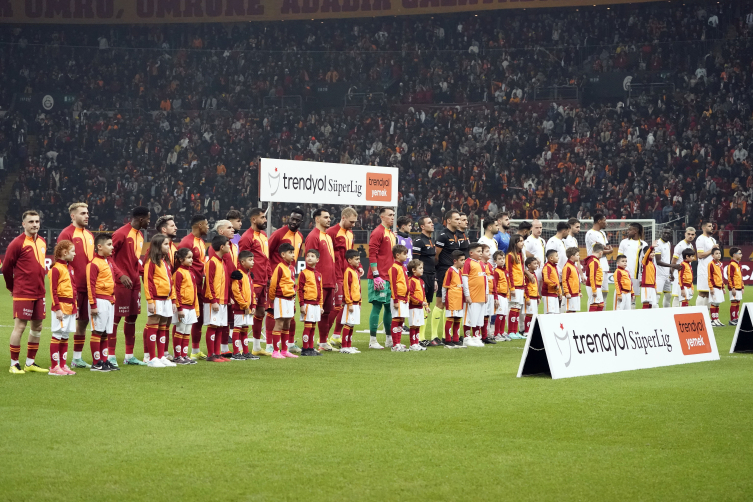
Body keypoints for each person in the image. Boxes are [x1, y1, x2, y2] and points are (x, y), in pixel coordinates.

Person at [6, 210, 48, 374]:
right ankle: (14, 364)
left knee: (38, 326)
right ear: (23, 224)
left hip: (40, 292)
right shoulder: (17, 243)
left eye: (37, 221)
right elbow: (6, 267)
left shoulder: (42, 241)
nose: (34, 225)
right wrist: (12, 287)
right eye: (31, 222)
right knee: (20, 327)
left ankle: (30, 363)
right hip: (23, 292)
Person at [57, 202, 98, 369]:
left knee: (83, 321)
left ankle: (77, 358)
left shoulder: (89, 234)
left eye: (87, 213)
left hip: (89, 286)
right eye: (83, 213)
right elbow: (61, 260)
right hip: (73, 287)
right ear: (73, 216)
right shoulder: (66, 234)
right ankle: (58, 359)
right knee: (67, 323)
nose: (87, 215)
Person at [111, 206, 150, 368]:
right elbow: (108, 256)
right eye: (148, 218)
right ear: (141, 219)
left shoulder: (140, 235)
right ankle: (110, 356)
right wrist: (120, 274)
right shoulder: (121, 234)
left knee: (132, 318)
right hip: (120, 283)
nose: (149, 222)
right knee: (115, 319)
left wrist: (144, 273)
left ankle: (129, 355)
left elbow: (134, 259)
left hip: (134, 283)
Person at [269, 207, 305, 353]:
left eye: (297, 220)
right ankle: (270, 344)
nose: (293, 222)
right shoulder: (279, 233)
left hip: (289, 280)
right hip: (276, 279)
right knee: (272, 312)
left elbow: (294, 259)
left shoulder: (300, 236)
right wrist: (269, 275)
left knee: (291, 313)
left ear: (301, 222)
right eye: (292, 218)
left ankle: (289, 344)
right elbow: (267, 253)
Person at [239, 208, 273, 356]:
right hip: (253, 280)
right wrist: (246, 279)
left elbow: (266, 258)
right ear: (253, 220)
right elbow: (242, 260)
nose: (265, 220)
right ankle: (241, 347)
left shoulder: (264, 235)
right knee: (247, 312)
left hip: (263, 280)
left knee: (260, 312)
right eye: (262, 217)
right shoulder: (247, 237)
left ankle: (257, 347)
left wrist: (269, 275)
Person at [86, 234, 121, 372]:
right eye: (109, 244)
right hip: (99, 301)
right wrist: (93, 305)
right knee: (97, 332)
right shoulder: (93, 264)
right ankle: (96, 363)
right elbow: (90, 286)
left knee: (106, 332)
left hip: (109, 300)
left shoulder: (108, 261)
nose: (112, 247)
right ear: (99, 247)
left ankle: (104, 361)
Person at [143, 234, 177, 368]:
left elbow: (171, 282)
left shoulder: (165, 261)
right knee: (153, 325)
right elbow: (147, 282)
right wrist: (150, 300)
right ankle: (152, 358)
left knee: (163, 327)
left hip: (166, 299)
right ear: (158, 245)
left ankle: (161, 356)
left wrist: (173, 300)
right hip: (156, 298)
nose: (168, 247)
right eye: (165, 244)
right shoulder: (151, 261)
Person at [326, 207, 358, 350]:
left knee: (345, 306)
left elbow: (350, 253)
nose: (353, 225)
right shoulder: (331, 232)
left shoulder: (350, 233)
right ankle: (323, 338)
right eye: (351, 222)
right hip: (336, 274)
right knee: (336, 307)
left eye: (355, 222)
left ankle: (336, 336)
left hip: (347, 274)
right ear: (343, 217)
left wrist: (358, 266)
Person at [305, 208, 336, 351]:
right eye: (326, 217)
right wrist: (313, 280)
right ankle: (309, 345)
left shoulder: (327, 236)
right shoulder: (313, 236)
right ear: (317, 219)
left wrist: (334, 279)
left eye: (329, 217)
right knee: (315, 313)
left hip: (329, 281)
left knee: (327, 313)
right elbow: (309, 260)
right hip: (318, 282)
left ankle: (323, 342)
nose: (329, 219)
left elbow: (331, 260)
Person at [179, 214, 209, 361]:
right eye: (206, 224)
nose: (208, 227)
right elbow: (180, 263)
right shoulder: (187, 242)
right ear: (200, 225)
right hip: (188, 286)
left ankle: (195, 350)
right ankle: (179, 352)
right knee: (183, 319)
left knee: (198, 317)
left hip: (199, 284)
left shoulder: (201, 242)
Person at [208, 220, 239, 358]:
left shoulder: (232, 247)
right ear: (221, 231)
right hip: (218, 293)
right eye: (229, 227)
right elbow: (213, 277)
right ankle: (213, 353)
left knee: (224, 322)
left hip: (227, 291)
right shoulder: (215, 253)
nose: (233, 230)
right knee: (216, 323)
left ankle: (221, 350)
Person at [431, 210, 462, 343]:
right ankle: (434, 336)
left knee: (450, 303)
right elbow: (436, 256)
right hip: (444, 271)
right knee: (440, 302)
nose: (459, 221)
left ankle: (446, 336)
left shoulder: (456, 235)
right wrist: (438, 273)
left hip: (454, 271)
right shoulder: (443, 236)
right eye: (456, 219)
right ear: (448, 220)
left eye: (459, 219)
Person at [367, 207, 397, 349]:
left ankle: (389, 339)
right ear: (382, 217)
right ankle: (372, 340)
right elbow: (372, 253)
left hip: (389, 276)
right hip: (379, 276)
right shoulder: (378, 232)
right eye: (390, 215)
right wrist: (376, 275)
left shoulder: (390, 233)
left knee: (389, 308)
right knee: (377, 306)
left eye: (393, 215)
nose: (392, 217)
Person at [48, 241, 78, 376]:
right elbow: (53, 290)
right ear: (65, 252)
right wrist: (57, 308)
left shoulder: (69, 267)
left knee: (65, 336)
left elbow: (73, 289)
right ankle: (54, 367)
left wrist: (75, 307)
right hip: (61, 307)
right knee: (57, 335)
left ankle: (62, 365)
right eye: (73, 251)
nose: (75, 254)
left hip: (70, 307)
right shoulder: (56, 269)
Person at [267, 242, 298, 359]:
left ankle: (285, 350)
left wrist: (293, 297)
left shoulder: (291, 268)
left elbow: (293, 284)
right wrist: (272, 299)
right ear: (283, 254)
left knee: (287, 324)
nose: (293, 255)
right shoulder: (279, 267)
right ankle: (275, 351)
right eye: (290, 253)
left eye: (293, 252)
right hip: (281, 299)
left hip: (290, 299)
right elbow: (273, 284)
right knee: (279, 324)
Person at [156, 214, 180, 359]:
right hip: (158, 293)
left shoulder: (173, 247)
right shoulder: (156, 248)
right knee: (154, 323)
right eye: (172, 225)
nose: (176, 228)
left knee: (167, 322)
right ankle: (148, 354)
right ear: (164, 229)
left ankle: (164, 352)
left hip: (170, 292)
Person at [412, 216, 439, 346]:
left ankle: (421, 337)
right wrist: (417, 279)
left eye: (432, 222)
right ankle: (419, 338)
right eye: (429, 222)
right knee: (421, 305)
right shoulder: (418, 241)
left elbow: (432, 262)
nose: (432, 224)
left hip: (431, 277)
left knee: (427, 304)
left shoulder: (431, 240)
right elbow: (415, 262)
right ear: (422, 226)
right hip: (422, 277)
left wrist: (435, 279)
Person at [204, 235, 231, 362]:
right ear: (221, 247)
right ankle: (211, 355)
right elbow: (209, 282)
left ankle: (217, 353)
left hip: (222, 300)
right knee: (213, 326)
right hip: (214, 301)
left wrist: (227, 298)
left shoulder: (222, 262)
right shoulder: (212, 262)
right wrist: (213, 300)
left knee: (220, 326)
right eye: (228, 244)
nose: (229, 246)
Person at [171, 248, 199, 365]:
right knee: (180, 330)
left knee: (187, 331)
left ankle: (184, 355)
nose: (191, 260)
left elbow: (194, 292)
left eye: (192, 257)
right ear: (181, 259)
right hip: (182, 307)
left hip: (191, 307)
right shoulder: (178, 273)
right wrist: (179, 308)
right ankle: (177, 356)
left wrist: (196, 309)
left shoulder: (191, 273)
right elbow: (176, 291)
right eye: (189, 257)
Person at [230, 250, 259, 360]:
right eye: (250, 260)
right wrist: (244, 305)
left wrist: (254, 305)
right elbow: (236, 292)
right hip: (240, 308)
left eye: (253, 260)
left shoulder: (249, 275)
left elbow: (252, 292)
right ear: (242, 262)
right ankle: (236, 353)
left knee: (245, 329)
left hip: (248, 308)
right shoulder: (238, 275)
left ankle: (246, 352)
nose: (253, 262)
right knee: (237, 328)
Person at [297, 249, 324, 357]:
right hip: (307, 304)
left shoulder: (318, 274)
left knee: (313, 327)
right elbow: (300, 290)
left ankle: (311, 348)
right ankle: (305, 349)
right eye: (308, 256)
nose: (309, 258)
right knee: (308, 326)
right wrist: (302, 304)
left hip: (316, 305)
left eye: (312, 256)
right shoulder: (303, 273)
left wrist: (321, 305)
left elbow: (320, 291)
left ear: (317, 260)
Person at [461, 243, 487, 348]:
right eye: (479, 251)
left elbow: (484, 279)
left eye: (481, 251)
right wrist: (467, 295)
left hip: (481, 296)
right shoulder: (468, 263)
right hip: (472, 296)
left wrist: (486, 293)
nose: (481, 253)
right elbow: (464, 279)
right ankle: (467, 338)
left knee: (479, 318)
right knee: (469, 317)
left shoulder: (481, 263)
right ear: (471, 253)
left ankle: (476, 336)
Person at [617, 222, 647, 309]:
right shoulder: (624, 242)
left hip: (636, 275)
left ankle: (631, 315)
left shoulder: (643, 244)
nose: (627, 231)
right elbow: (619, 259)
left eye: (629, 230)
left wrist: (642, 277)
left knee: (633, 299)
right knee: (622, 297)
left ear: (635, 231)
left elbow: (644, 262)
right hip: (624, 275)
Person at [585, 214, 613, 301]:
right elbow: (597, 250)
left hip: (604, 264)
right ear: (599, 221)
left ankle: (602, 309)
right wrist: (609, 251)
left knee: (604, 292)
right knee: (596, 293)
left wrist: (608, 249)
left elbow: (604, 246)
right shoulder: (590, 233)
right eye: (604, 220)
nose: (606, 223)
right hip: (595, 263)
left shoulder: (602, 233)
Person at [442, 251, 466, 349]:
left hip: (459, 299)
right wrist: (444, 299)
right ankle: (448, 340)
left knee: (458, 319)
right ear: (455, 261)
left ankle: (456, 339)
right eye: (462, 260)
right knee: (450, 319)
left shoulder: (460, 271)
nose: (464, 262)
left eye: (464, 260)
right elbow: (445, 286)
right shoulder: (450, 271)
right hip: (452, 299)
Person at [388, 245, 410, 352]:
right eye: (404, 254)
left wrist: (407, 296)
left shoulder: (403, 267)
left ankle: (398, 342)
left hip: (404, 298)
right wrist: (395, 300)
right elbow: (393, 285)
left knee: (401, 320)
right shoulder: (394, 268)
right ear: (397, 255)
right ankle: (395, 344)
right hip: (397, 298)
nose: (406, 256)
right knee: (396, 319)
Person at [340, 249, 362, 354]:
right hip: (351, 303)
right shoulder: (348, 271)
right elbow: (346, 288)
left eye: (359, 259)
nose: (358, 261)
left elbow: (358, 288)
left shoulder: (356, 272)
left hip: (356, 302)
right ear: (349, 260)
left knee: (352, 324)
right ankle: (344, 346)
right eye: (356, 259)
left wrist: (360, 302)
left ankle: (349, 345)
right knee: (348, 324)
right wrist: (349, 303)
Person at [506, 235, 526, 339]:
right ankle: (510, 331)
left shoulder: (520, 255)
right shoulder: (510, 255)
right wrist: (512, 287)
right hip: (515, 286)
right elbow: (509, 272)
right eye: (520, 241)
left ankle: (516, 331)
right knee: (513, 308)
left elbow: (521, 271)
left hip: (521, 285)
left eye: (523, 241)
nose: (523, 243)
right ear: (515, 243)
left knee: (518, 308)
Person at [695, 221, 718, 312]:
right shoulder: (700, 239)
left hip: (712, 270)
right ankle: (698, 313)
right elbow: (700, 255)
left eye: (712, 226)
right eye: (709, 226)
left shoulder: (713, 240)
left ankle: (706, 315)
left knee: (709, 293)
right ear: (703, 228)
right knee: (703, 292)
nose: (712, 227)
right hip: (704, 270)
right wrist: (712, 250)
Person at [406, 259, 429, 351]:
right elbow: (410, 295)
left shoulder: (421, 281)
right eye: (420, 268)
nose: (422, 269)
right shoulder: (411, 281)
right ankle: (413, 344)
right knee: (413, 325)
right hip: (413, 307)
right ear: (413, 270)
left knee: (418, 325)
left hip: (419, 307)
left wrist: (426, 306)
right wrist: (420, 302)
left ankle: (416, 343)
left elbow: (423, 295)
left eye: (422, 268)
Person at [671, 227, 696, 307]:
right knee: (677, 295)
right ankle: (674, 313)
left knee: (685, 296)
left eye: (692, 234)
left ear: (694, 235)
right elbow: (673, 261)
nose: (690, 236)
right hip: (679, 274)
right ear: (685, 234)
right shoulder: (680, 245)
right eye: (688, 234)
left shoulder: (691, 246)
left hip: (687, 275)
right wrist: (672, 273)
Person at [479, 244, 497, 344]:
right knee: (481, 315)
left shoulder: (489, 265)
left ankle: (485, 336)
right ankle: (478, 335)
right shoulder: (479, 265)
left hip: (490, 294)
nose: (489, 253)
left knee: (487, 315)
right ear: (481, 253)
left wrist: (495, 296)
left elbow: (493, 282)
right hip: (482, 294)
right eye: (487, 251)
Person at [653, 228, 674, 308]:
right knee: (657, 296)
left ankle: (667, 312)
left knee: (668, 295)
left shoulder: (668, 243)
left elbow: (667, 259)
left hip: (666, 274)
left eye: (668, 233)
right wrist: (672, 266)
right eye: (664, 233)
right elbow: (658, 261)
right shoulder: (658, 244)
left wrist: (671, 273)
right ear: (661, 233)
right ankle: (655, 314)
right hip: (659, 275)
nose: (666, 235)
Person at [492, 250, 510, 341]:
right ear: (495, 261)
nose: (502, 260)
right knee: (499, 315)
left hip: (505, 296)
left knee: (504, 315)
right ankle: (496, 334)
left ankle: (502, 332)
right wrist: (496, 297)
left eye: (503, 258)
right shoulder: (496, 271)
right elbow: (494, 285)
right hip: (499, 295)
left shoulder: (505, 271)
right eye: (499, 259)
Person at [524, 219, 546, 291]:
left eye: (540, 227)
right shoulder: (528, 241)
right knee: (533, 291)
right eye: (536, 228)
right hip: (533, 270)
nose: (539, 230)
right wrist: (534, 256)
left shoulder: (542, 240)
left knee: (541, 292)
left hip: (541, 269)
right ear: (531, 228)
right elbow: (524, 252)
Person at [584, 243, 605, 311]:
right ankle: (591, 318)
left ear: (592, 251)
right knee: (594, 304)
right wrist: (594, 290)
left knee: (600, 305)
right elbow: (592, 276)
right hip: (593, 286)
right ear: (601, 253)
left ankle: (596, 318)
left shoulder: (594, 260)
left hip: (596, 285)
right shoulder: (594, 261)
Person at [708, 247, 725, 327]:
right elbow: (710, 277)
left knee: (718, 303)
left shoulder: (721, 264)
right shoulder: (711, 264)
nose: (718, 255)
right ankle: (713, 319)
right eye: (716, 253)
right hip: (714, 287)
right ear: (712, 255)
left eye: (719, 253)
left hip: (720, 287)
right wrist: (711, 287)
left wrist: (723, 287)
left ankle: (717, 318)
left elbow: (721, 276)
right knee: (713, 303)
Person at [523, 257, 541, 333]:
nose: (537, 265)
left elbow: (536, 286)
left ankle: (532, 331)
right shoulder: (527, 276)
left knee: (534, 315)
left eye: (537, 263)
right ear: (529, 265)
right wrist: (527, 298)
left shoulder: (534, 274)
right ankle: (526, 331)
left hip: (534, 297)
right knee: (529, 315)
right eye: (535, 263)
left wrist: (538, 297)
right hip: (529, 297)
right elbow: (525, 287)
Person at [542, 249, 561, 314]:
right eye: (556, 256)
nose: (558, 257)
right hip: (548, 294)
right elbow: (546, 279)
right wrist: (555, 285)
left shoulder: (554, 267)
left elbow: (557, 280)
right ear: (551, 258)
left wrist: (560, 292)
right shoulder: (547, 267)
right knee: (550, 314)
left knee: (556, 314)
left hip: (554, 294)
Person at [562, 248, 581, 313]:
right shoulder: (567, 267)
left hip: (575, 293)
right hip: (570, 294)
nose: (579, 256)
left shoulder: (574, 266)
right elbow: (564, 280)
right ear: (572, 256)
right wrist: (567, 292)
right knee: (569, 311)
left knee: (573, 311)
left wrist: (579, 291)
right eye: (577, 255)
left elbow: (577, 280)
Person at [728, 247, 744, 325]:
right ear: (734, 254)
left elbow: (740, 277)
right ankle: (732, 319)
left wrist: (742, 286)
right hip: (734, 287)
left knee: (738, 302)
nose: (741, 255)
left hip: (739, 287)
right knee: (734, 302)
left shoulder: (738, 264)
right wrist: (733, 288)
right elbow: (730, 277)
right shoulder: (731, 265)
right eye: (740, 253)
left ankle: (736, 318)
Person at [640, 244, 658, 309]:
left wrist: (655, 287)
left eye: (654, 252)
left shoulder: (652, 264)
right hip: (646, 287)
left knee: (651, 305)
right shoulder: (645, 262)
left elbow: (654, 277)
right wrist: (651, 247)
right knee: (646, 304)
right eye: (651, 252)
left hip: (652, 287)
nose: (653, 254)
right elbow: (646, 256)